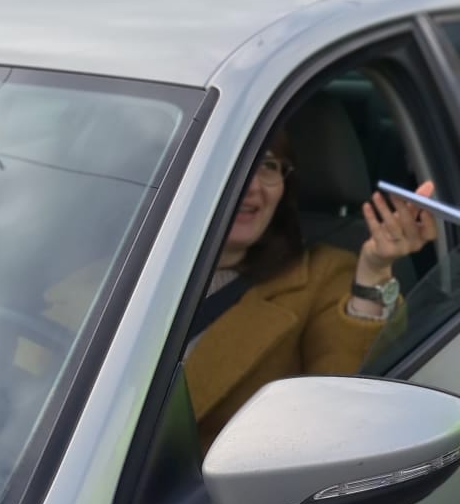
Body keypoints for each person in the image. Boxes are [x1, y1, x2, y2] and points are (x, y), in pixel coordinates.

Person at [185, 127, 436, 449]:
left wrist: (374, 270)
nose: (252, 186)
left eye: (268, 166)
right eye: (233, 165)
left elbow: (343, 401)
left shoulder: (321, 273)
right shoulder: (118, 267)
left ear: (284, 187)